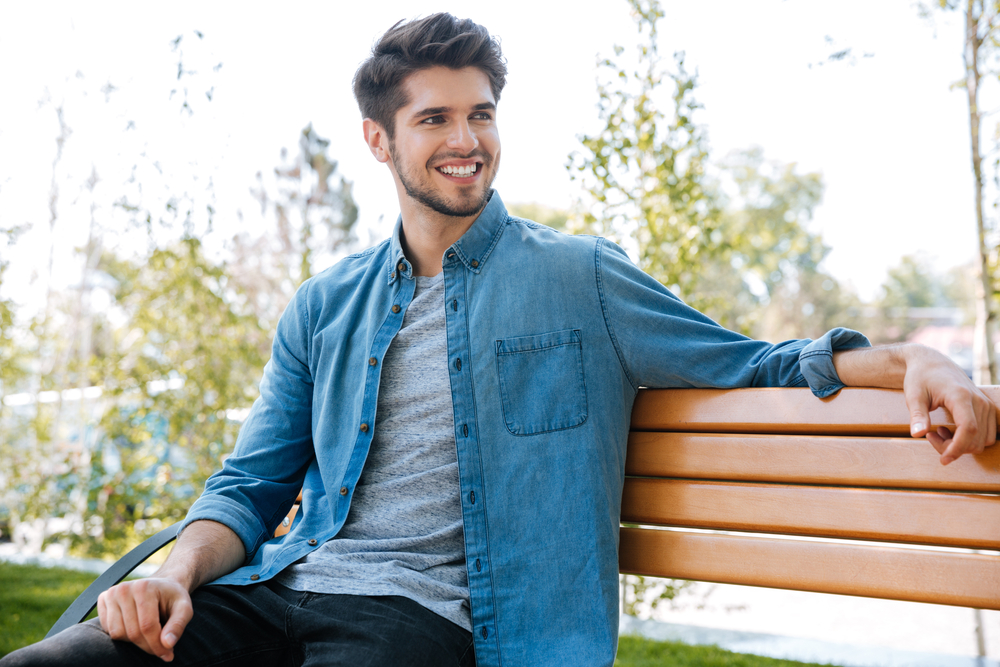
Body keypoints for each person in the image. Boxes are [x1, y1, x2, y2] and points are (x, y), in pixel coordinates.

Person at [4, 13, 995, 667]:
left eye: (480, 113)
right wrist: (169, 572)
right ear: (380, 141)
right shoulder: (324, 304)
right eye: (434, 117)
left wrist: (925, 360)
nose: (464, 138)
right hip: (279, 589)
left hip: (422, 623)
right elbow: (250, 486)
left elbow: (763, 363)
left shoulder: (581, 278)